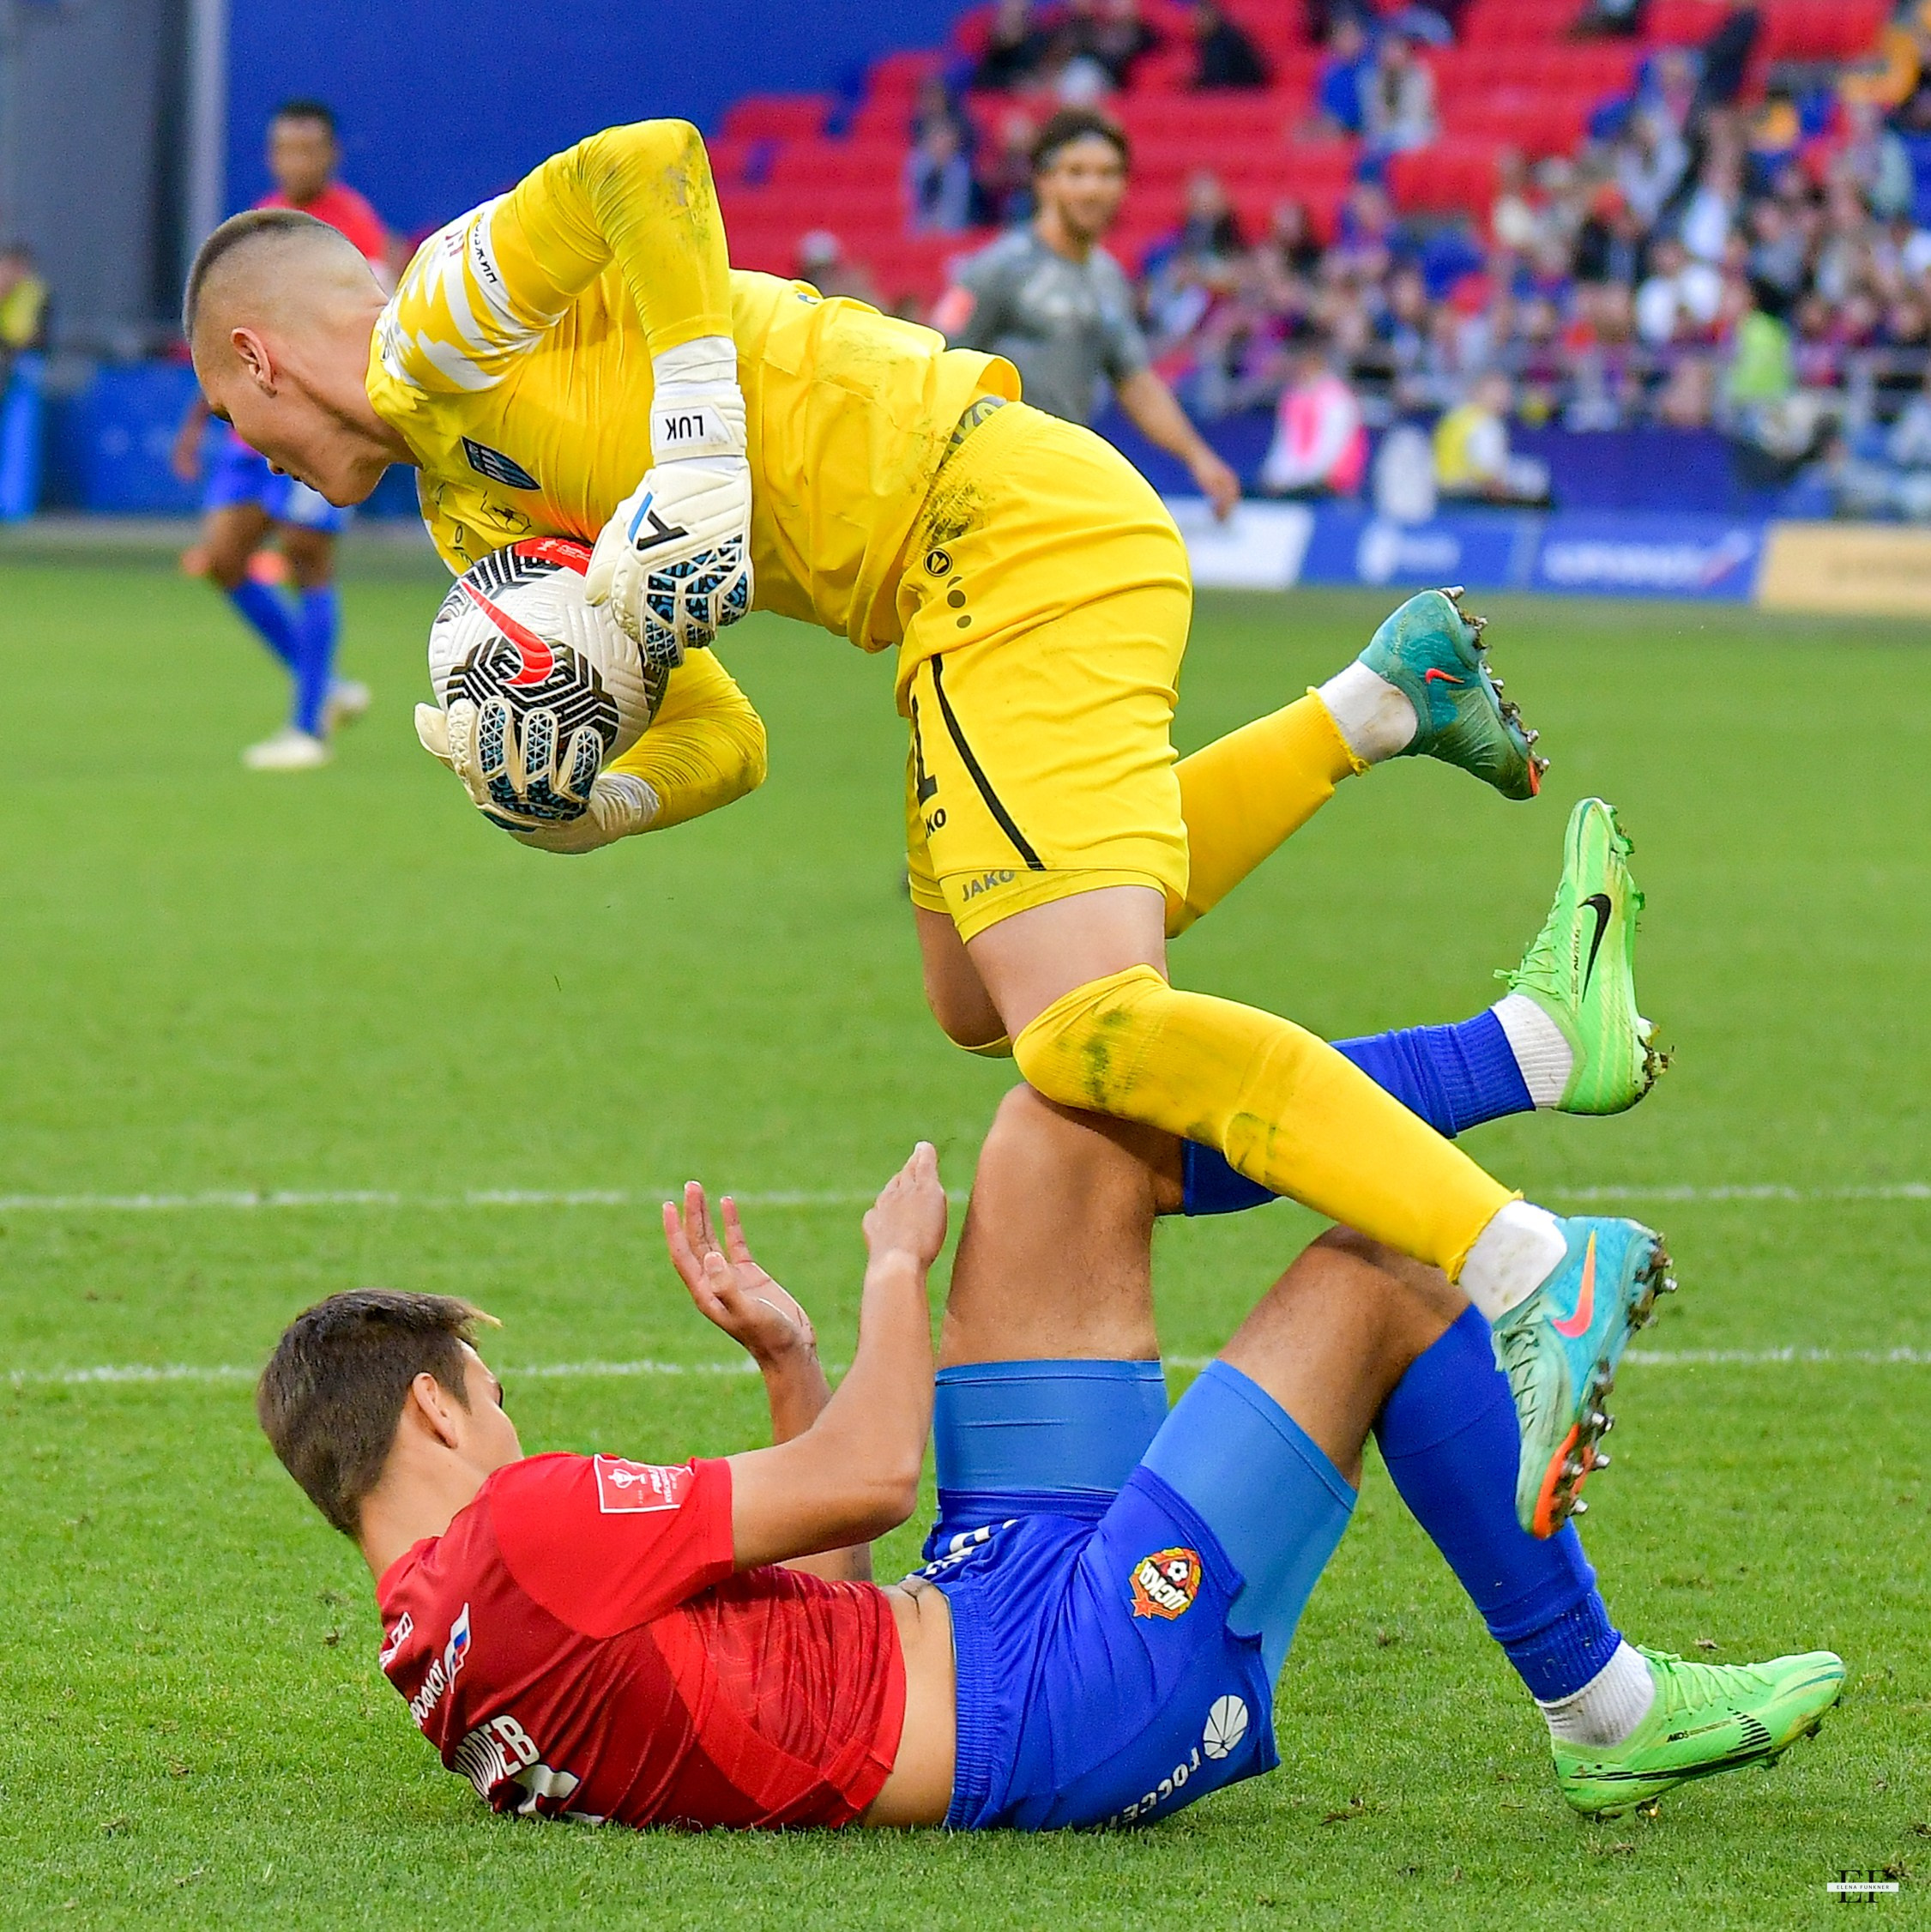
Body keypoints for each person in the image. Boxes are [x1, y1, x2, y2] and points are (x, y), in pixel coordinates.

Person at [185, 118, 1673, 1539]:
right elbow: (727, 739)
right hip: (947, 598)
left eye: (229, 417)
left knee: (1085, 1027)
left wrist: (696, 432)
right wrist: (594, 807)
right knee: (977, 992)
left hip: (1001, 528)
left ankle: (1525, 1262)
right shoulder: (470, 520)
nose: (247, 454)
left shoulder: (437, 320)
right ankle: (1384, 698)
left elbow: (649, 163)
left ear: (258, 356)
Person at [255, 858, 1842, 1832]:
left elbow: (809, 1627)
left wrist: (786, 1360)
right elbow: (870, 1478)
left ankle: (1538, 1046)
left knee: (1059, 1128)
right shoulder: (521, 1534)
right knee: (1384, 1280)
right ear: (437, 1414)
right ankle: (1604, 1713)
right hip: (1059, 1695)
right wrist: (889, 1276)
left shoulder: (441, 1656)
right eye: (497, 1396)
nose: (513, 1425)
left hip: (980, 1605)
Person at [172, 100, 388, 770]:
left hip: (316, 426)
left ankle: (307, 728)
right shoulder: (262, 225)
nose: (295, 160)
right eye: (284, 148)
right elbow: (228, 334)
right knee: (223, 560)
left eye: (307, 148)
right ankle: (328, 686)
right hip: (252, 429)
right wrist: (197, 418)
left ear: (331, 155)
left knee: (305, 552)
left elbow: (376, 327)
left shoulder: (351, 228)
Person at [933, 110, 1242, 514]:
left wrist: (1198, 456)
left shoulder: (1107, 278)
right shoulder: (996, 269)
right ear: (1044, 180)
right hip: (985, 488)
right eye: (1076, 172)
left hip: (1056, 485)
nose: (1093, 189)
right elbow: (937, 366)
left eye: (1108, 173)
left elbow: (1135, 382)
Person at [1258, 335, 1367, 497]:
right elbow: (1286, 444)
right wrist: (1275, 476)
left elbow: (1330, 449)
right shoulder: (1293, 397)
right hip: (1298, 480)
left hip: (1332, 481)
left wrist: (1297, 479)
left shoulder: (1337, 398)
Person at [1433, 371, 1553, 505]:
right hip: (1466, 494)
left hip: (1442, 488)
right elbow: (1487, 474)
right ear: (1479, 392)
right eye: (1499, 393)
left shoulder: (1455, 415)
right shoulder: (1487, 424)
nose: (1505, 399)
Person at [1188, 0, 1270, 91]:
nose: (1197, 23)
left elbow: (1219, 79)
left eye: (1202, 17)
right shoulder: (1207, 40)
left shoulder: (1225, 40)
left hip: (1247, 91)